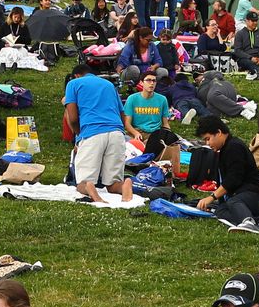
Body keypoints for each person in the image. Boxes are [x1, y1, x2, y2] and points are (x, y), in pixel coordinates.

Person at [192, 116, 259, 231]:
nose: (208, 143)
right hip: (240, 196)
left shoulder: (234, 147)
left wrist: (212, 197)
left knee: (233, 202)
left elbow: (234, 179)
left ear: (219, 133)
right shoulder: (224, 149)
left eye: (208, 138)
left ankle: (248, 222)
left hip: (255, 194)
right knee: (220, 210)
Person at [65, 64, 132, 204]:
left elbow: (72, 117)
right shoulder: (109, 85)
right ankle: (124, 185)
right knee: (113, 184)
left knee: (83, 182)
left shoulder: (73, 84)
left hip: (92, 133)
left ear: (76, 75)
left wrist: (79, 135)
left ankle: (89, 187)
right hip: (116, 133)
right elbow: (122, 114)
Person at [121, 71, 176, 158]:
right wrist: (135, 133)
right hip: (137, 132)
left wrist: (168, 135)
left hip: (155, 133)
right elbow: (127, 124)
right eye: (148, 80)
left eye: (154, 81)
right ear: (142, 83)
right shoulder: (132, 99)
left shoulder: (162, 99)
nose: (152, 83)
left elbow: (165, 123)